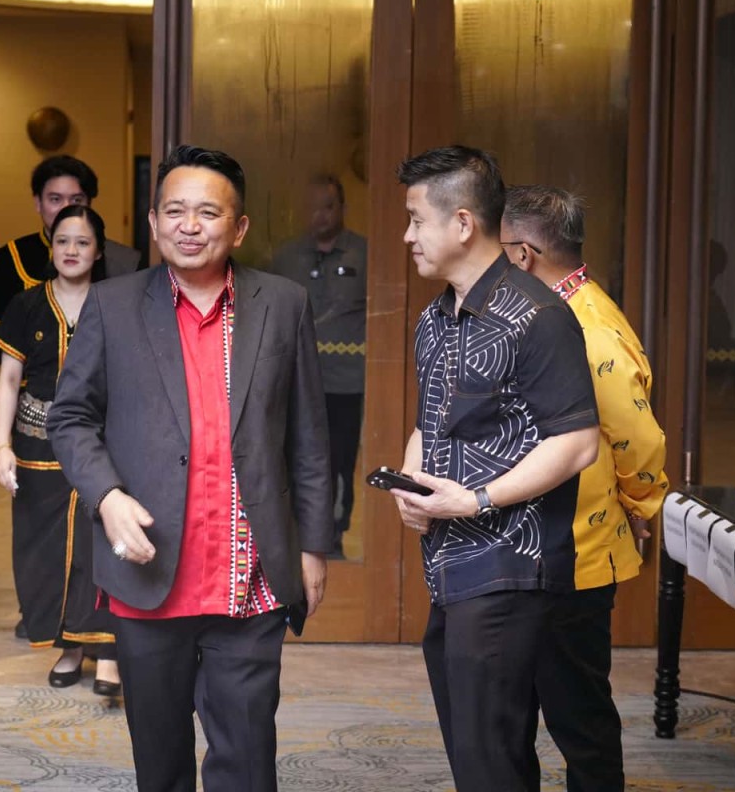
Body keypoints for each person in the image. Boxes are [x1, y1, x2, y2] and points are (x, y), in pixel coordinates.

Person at [47, 144, 332, 792]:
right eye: (174, 211)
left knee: (248, 762)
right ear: (153, 223)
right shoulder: (113, 305)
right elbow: (71, 419)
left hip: (249, 577)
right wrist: (107, 496)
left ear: (240, 227)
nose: (190, 226)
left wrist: (314, 547)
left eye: (208, 212)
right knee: (161, 763)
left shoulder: (283, 303)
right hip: (149, 573)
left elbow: (310, 439)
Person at [390, 146, 600, 791]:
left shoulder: (539, 316)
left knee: (490, 752)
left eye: (416, 220)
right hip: (450, 563)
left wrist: (477, 499)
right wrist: (411, 481)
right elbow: (431, 419)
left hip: (510, 566)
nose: (407, 236)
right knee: (474, 745)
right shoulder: (436, 317)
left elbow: (577, 442)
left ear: (462, 223)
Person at [502, 184, 669, 792]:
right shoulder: (560, 309)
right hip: (539, 545)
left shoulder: (587, 326)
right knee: (518, 708)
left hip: (576, 550)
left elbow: (638, 438)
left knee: (579, 715)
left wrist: (643, 503)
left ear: (523, 255)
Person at [0, 205, 120, 695]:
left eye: (83, 242)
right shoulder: (26, 305)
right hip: (36, 448)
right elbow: (9, 380)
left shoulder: (115, 304)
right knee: (43, 554)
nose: (71, 250)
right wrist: (1, 446)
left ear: (99, 251)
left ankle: (106, 651)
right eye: (63, 240)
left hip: (97, 448)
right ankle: (68, 648)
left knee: (97, 548)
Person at [271, 174, 367, 556]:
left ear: (342, 208)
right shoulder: (286, 258)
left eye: (328, 206)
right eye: (312, 208)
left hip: (346, 382)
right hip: (294, 382)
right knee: (294, 457)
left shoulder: (365, 253)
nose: (320, 215)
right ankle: (295, 533)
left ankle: (334, 536)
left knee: (340, 460)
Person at [0, 155, 144, 364]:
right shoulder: (12, 256)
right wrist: (31, 370)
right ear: (38, 203)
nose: (66, 208)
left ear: (89, 204)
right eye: (55, 199)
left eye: (76, 200)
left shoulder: (123, 262)